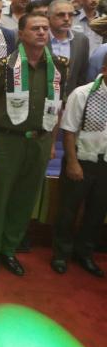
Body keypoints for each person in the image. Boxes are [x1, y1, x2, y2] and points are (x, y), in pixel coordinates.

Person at [0, 13, 68, 276]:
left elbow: (57, 108)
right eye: (35, 28)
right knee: (0, 197)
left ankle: (9, 249)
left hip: (41, 141)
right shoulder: (2, 67)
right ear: (21, 34)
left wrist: (52, 142)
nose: (42, 32)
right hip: (9, 141)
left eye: (45, 28)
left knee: (25, 198)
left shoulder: (58, 67)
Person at [52, 54, 107, 277]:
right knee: (68, 210)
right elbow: (68, 130)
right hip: (81, 159)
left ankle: (84, 253)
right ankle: (61, 253)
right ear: (105, 69)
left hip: (105, 164)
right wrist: (73, 162)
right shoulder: (83, 94)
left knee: (97, 212)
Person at [46, 0, 89, 98]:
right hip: (43, 98)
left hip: (70, 99)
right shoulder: (39, 38)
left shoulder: (81, 40)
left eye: (70, 15)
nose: (66, 19)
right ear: (48, 17)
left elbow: (82, 75)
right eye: (61, 15)